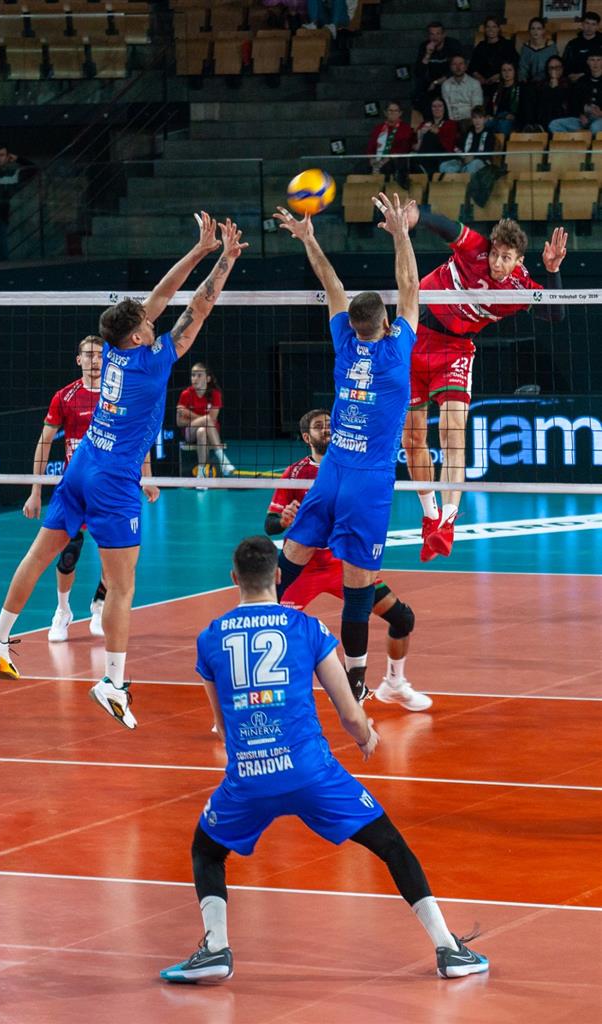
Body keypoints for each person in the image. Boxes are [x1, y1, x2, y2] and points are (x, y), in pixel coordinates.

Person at [159, 536, 488, 984]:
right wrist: (366, 736)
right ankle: (448, 948)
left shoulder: (209, 638)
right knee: (390, 845)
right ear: (278, 576)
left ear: (234, 578)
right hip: (311, 773)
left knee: (207, 850)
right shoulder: (307, 628)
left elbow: (221, 724)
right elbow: (348, 711)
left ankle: (216, 948)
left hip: (248, 779)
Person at [0, 213, 247, 730]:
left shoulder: (118, 353)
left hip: (82, 464)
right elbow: (198, 306)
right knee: (122, 587)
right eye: (146, 321)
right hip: (114, 479)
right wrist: (225, 260)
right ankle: (113, 683)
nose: (153, 319)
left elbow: (160, 299)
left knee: (39, 554)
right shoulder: (153, 360)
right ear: (138, 333)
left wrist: (199, 250)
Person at [270, 192, 419, 710]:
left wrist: (309, 239)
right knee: (359, 586)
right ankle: (355, 684)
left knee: (290, 559)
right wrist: (400, 235)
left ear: (353, 326)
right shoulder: (396, 351)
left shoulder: (344, 344)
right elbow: (409, 286)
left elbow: (332, 285)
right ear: (386, 322)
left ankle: (250, 634)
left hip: (331, 472)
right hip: (368, 480)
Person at [401, 208, 567, 562]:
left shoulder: (520, 287)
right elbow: (446, 227)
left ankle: (447, 522)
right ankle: (430, 516)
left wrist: (552, 271)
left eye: (506, 257)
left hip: (455, 351)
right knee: (412, 439)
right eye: (495, 253)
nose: (497, 261)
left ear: (519, 261)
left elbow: (555, 313)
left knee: (452, 432)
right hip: (414, 338)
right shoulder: (475, 249)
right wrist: (416, 217)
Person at [265, 408, 431, 711]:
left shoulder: (354, 466)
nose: (327, 429)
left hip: (343, 564)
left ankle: (394, 684)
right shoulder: (295, 474)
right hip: (303, 568)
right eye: (319, 426)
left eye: (330, 424)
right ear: (306, 437)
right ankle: (244, 700)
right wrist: (284, 520)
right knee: (268, 627)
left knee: (402, 619)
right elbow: (270, 524)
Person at [22, 336, 109, 642]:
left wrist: (146, 478)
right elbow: (44, 442)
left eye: (99, 355)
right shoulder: (65, 396)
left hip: (109, 489)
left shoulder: (117, 394)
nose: (94, 360)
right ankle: (63, 610)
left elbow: (137, 437)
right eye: (89, 355)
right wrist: (35, 491)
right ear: (79, 360)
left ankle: (99, 605)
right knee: (68, 554)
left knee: (113, 552)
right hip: (74, 489)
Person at [176, 362, 236, 479]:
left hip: (210, 433)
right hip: (190, 433)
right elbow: (179, 422)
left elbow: (212, 420)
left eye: (199, 375)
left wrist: (189, 414)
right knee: (206, 421)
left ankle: (201, 473)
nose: (195, 378)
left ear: (208, 379)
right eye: (193, 375)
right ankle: (223, 461)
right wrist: (202, 419)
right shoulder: (186, 394)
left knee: (202, 431)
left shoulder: (215, 394)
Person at [412, 21, 464, 118]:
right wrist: (427, 54)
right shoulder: (424, 46)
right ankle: (429, 121)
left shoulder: (453, 44)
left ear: (444, 35)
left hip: (449, 80)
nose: (435, 37)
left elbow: (458, 68)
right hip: (430, 82)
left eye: (438, 34)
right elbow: (419, 72)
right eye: (432, 34)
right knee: (418, 93)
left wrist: (437, 82)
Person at [548, 52, 602, 133]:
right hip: (584, 119)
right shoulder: (582, 81)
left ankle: (584, 136)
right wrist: (580, 115)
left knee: (595, 128)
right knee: (554, 124)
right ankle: (578, 138)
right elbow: (574, 103)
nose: (595, 63)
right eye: (592, 60)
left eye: (598, 60)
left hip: (600, 120)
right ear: (587, 62)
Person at [365, 101, 415, 184]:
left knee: (389, 166)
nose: (393, 113)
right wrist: (372, 159)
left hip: (394, 161)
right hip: (377, 160)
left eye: (396, 111)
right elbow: (371, 147)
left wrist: (386, 160)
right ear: (385, 113)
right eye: (390, 111)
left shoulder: (406, 128)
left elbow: (404, 148)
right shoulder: (378, 128)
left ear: (400, 113)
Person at [438, 106, 495, 176]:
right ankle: (456, 181)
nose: (477, 121)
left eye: (480, 118)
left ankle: (464, 180)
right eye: (475, 118)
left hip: (480, 161)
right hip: (463, 160)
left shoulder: (489, 134)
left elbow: (488, 153)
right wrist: (463, 157)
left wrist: (473, 157)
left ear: (485, 119)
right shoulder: (467, 132)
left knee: (474, 164)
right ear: (472, 119)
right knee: (444, 165)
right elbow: (457, 147)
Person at [468, 17, 518, 94]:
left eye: (494, 27)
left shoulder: (507, 45)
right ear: (485, 29)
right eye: (488, 27)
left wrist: (499, 75)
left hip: (501, 82)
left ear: (498, 29)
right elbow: (472, 67)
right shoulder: (481, 46)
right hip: (482, 83)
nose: (491, 30)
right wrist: (480, 77)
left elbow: (515, 64)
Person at [412, 98, 459, 176]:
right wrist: (419, 137)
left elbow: (450, 145)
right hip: (423, 154)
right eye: (434, 106)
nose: (437, 109)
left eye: (440, 106)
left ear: (444, 108)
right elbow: (415, 143)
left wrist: (438, 132)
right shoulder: (424, 124)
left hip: (442, 155)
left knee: (432, 136)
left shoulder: (451, 124)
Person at [523, 55, 571, 132]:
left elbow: (563, 102)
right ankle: (531, 126)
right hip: (543, 116)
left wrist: (555, 88)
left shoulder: (569, 84)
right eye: (551, 68)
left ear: (562, 69)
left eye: (557, 67)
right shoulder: (541, 85)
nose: (554, 71)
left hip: (561, 116)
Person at [441, 55, 484, 131]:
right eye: (454, 64)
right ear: (450, 67)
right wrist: (451, 122)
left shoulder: (474, 83)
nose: (458, 67)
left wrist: (471, 120)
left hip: (469, 120)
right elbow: (447, 107)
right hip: (452, 120)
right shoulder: (445, 85)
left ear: (465, 67)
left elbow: (477, 106)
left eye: (461, 64)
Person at [486, 60, 526, 136]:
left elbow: (525, 109)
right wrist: (488, 115)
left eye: (510, 70)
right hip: (496, 117)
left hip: (512, 119)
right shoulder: (496, 88)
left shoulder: (521, 88)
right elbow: (489, 106)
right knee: (485, 122)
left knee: (503, 124)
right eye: (504, 70)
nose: (507, 73)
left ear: (515, 72)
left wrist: (514, 116)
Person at [562, 11, 602, 83]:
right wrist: (569, 75)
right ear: (582, 24)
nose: (589, 27)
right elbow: (565, 64)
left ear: (597, 26)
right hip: (577, 80)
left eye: (593, 24)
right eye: (587, 23)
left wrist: (584, 75)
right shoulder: (573, 44)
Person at [518, 18, 558, 85]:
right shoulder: (526, 48)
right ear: (529, 31)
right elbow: (522, 68)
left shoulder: (550, 46)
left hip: (547, 81)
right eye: (533, 28)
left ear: (543, 31)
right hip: (529, 83)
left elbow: (554, 67)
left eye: (539, 28)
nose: (535, 31)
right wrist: (523, 81)